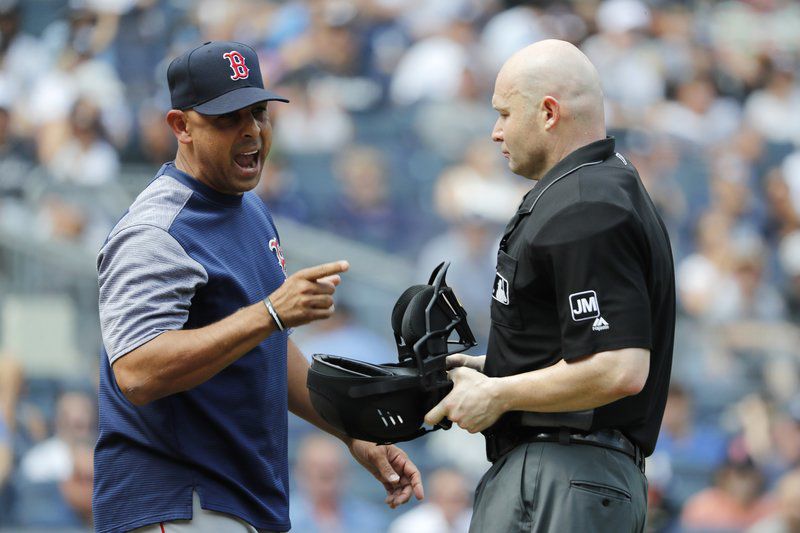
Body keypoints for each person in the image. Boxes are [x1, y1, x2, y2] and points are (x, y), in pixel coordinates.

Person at [93, 41, 423, 533]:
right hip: (179, 503)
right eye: (228, 118)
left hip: (236, 499)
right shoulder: (157, 231)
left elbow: (268, 349)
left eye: (259, 114)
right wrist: (271, 312)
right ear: (180, 126)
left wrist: (352, 433)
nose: (251, 131)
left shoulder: (249, 209)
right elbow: (137, 373)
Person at [424, 39, 676, 532]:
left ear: (547, 113)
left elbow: (620, 367)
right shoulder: (594, 186)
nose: (495, 132)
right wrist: (486, 369)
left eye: (504, 113)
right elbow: (579, 347)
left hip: (564, 472)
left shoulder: (587, 203)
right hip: (565, 473)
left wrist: (498, 393)